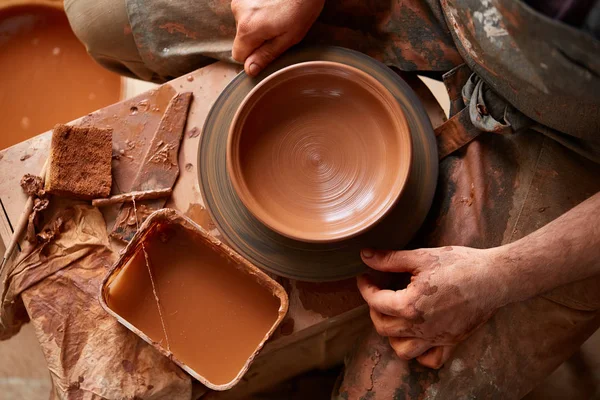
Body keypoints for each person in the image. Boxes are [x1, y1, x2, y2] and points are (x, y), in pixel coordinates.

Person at [65, 0, 600, 398]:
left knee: (401, 380)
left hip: (576, 143)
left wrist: (503, 276)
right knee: (106, 15)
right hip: (448, 10)